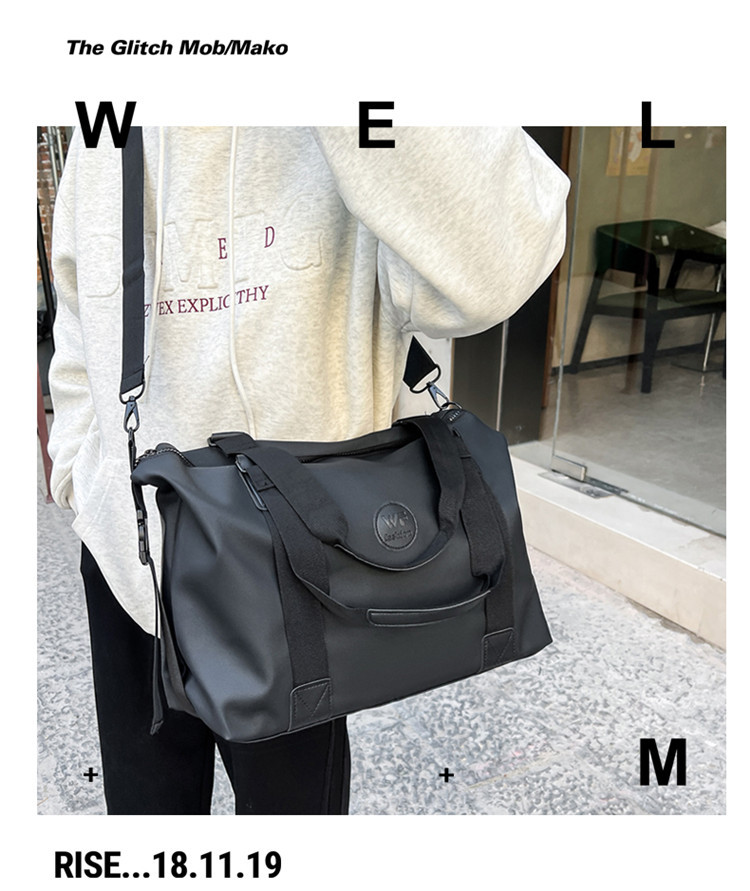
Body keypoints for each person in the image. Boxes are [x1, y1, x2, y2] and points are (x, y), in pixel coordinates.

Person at [47, 125, 569, 815]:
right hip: (132, 549)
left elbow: (500, 262)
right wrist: (82, 472)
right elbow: (78, 294)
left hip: (302, 567)